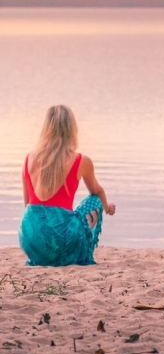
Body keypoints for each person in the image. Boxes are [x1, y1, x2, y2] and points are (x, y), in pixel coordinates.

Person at [19, 105, 116, 266]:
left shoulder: (28, 158)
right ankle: (83, 254)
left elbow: (28, 205)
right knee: (94, 200)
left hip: (30, 240)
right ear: (71, 128)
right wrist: (107, 207)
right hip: (63, 239)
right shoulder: (81, 160)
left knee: (38, 216)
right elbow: (97, 191)